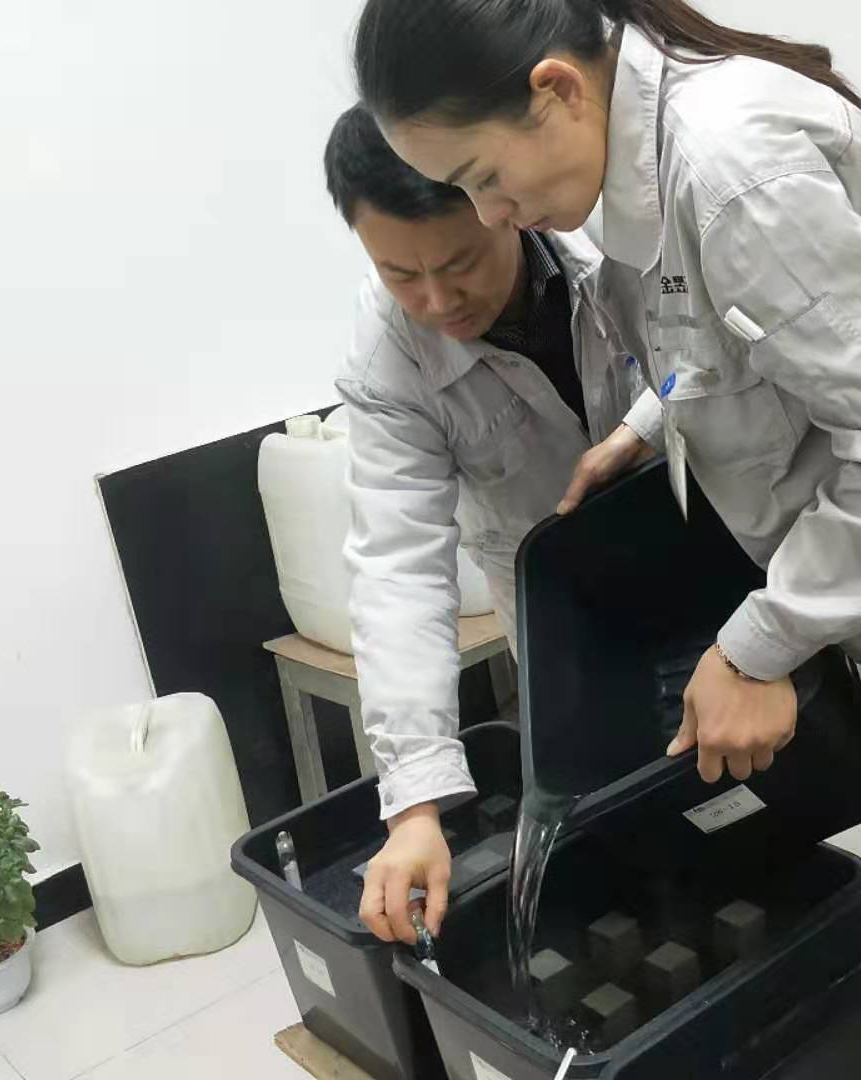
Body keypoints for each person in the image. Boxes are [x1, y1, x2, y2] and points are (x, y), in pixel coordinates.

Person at [352, 1, 861, 972]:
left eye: (483, 179)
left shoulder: (729, 170)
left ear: (555, 91)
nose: (489, 215)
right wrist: (650, 422)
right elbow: (733, 338)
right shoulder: (641, 165)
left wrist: (755, 649)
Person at [322, 106, 658, 947]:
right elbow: (399, 568)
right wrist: (415, 803)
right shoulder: (386, 359)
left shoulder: (611, 234)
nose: (437, 301)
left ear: (497, 200)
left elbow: (719, 355)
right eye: (400, 274)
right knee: (614, 814)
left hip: (691, 542)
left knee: (751, 770)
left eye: (460, 263)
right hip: (556, 609)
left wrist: (648, 423)